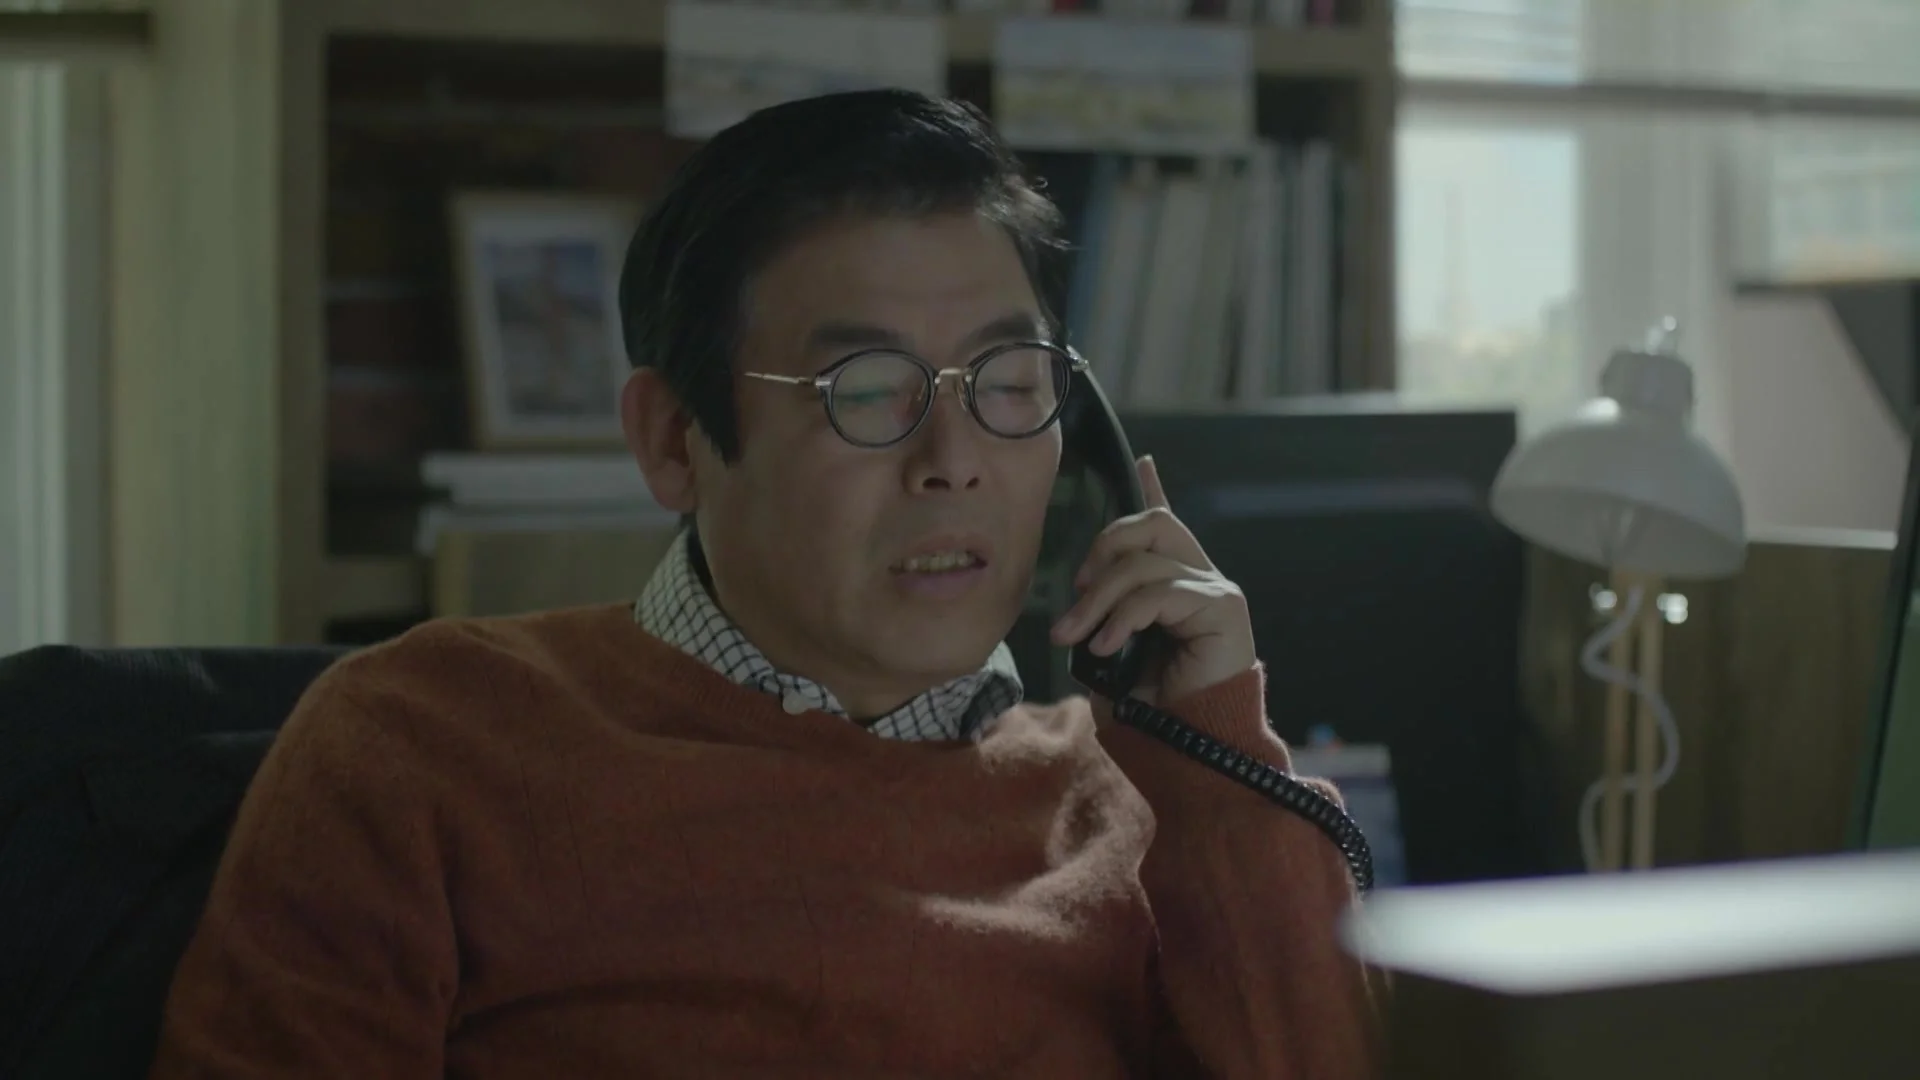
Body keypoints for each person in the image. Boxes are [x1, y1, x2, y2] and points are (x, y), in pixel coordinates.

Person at [149, 89, 1376, 1079]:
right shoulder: (421, 744)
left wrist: (1216, 755)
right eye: (867, 392)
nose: (954, 463)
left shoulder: (1136, 795)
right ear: (675, 442)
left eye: (1009, 384)